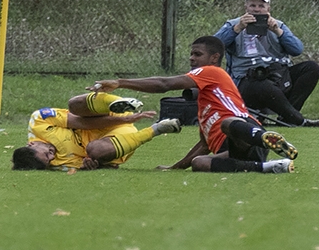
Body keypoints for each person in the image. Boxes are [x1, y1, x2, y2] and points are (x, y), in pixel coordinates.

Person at [89, 36, 298, 174]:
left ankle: (263, 138)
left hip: (244, 133)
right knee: (199, 163)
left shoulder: (212, 72)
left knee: (227, 123)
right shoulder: (206, 106)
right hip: (237, 153)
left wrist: (120, 82)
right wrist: (175, 168)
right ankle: (267, 167)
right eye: (191, 54)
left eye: (197, 54)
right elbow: (204, 145)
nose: (191, 58)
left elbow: (165, 84)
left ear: (214, 58)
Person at [215, 0, 319, 127]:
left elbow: (297, 49)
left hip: (276, 75)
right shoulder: (233, 24)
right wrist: (237, 28)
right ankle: (298, 120)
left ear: (268, 8)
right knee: (261, 84)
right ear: (246, 7)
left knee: (311, 68)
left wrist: (277, 31)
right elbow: (214, 45)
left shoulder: (278, 25)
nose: (256, 10)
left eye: (261, 6)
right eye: (253, 5)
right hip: (247, 81)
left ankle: (287, 118)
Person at [12, 92, 182, 171]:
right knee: (95, 150)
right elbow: (110, 166)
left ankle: (118, 102)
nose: (51, 156)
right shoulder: (58, 165)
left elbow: (82, 122)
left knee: (74, 105)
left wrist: (124, 119)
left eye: (45, 154)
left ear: (31, 143)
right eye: (48, 160)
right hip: (116, 139)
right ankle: (156, 129)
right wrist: (95, 165)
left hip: (109, 117)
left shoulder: (38, 121)